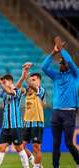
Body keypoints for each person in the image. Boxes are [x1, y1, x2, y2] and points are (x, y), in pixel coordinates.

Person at [41, 36, 79, 168]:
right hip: (57, 113)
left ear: (67, 65)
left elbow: (69, 60)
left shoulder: (75, 74)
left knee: (69, 143)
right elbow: (44, 67)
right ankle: (55, 166)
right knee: (56, 143)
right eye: (60, 64)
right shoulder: (56, 76)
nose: (60, 66)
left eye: (62, 64)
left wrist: (61, 49)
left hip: (69, 113)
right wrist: (54, 52)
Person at [0, 72, 29, 168]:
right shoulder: (3, 93)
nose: (2, 83)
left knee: (19, 147)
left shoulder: (17, 91)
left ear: (10, 82)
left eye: (4, 81)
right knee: (1, 147)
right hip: (6, 125)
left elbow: (10, 92)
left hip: (15, 124)